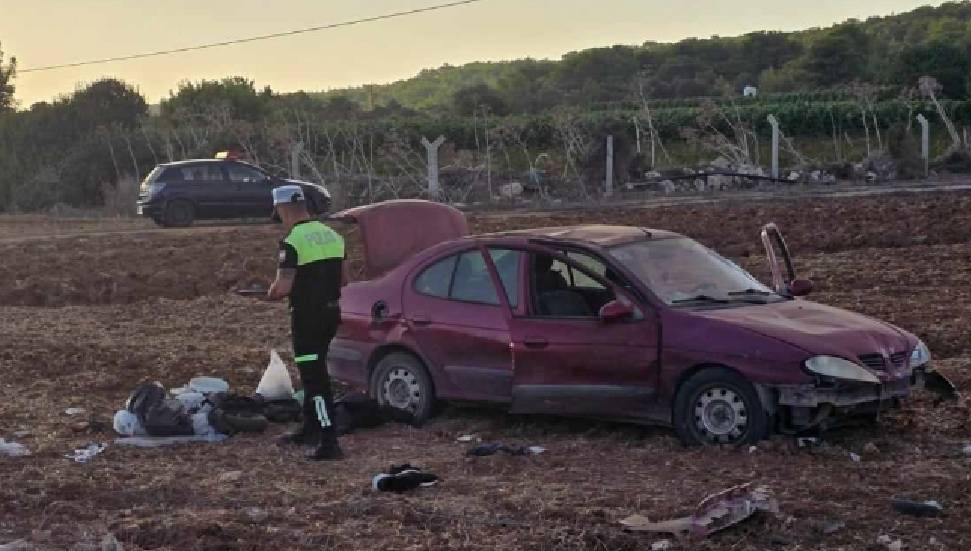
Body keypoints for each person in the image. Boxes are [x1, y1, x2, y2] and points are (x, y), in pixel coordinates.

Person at [266, 185, 345, 461]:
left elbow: (283, 287)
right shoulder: (332, 235)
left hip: (307, 319)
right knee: (316, 370)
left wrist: (271, 293)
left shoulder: (293, 242)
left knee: (315, 379)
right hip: (331, 314)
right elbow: (341, 278)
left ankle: (328, 440)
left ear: (282, 209)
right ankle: (310, 427)